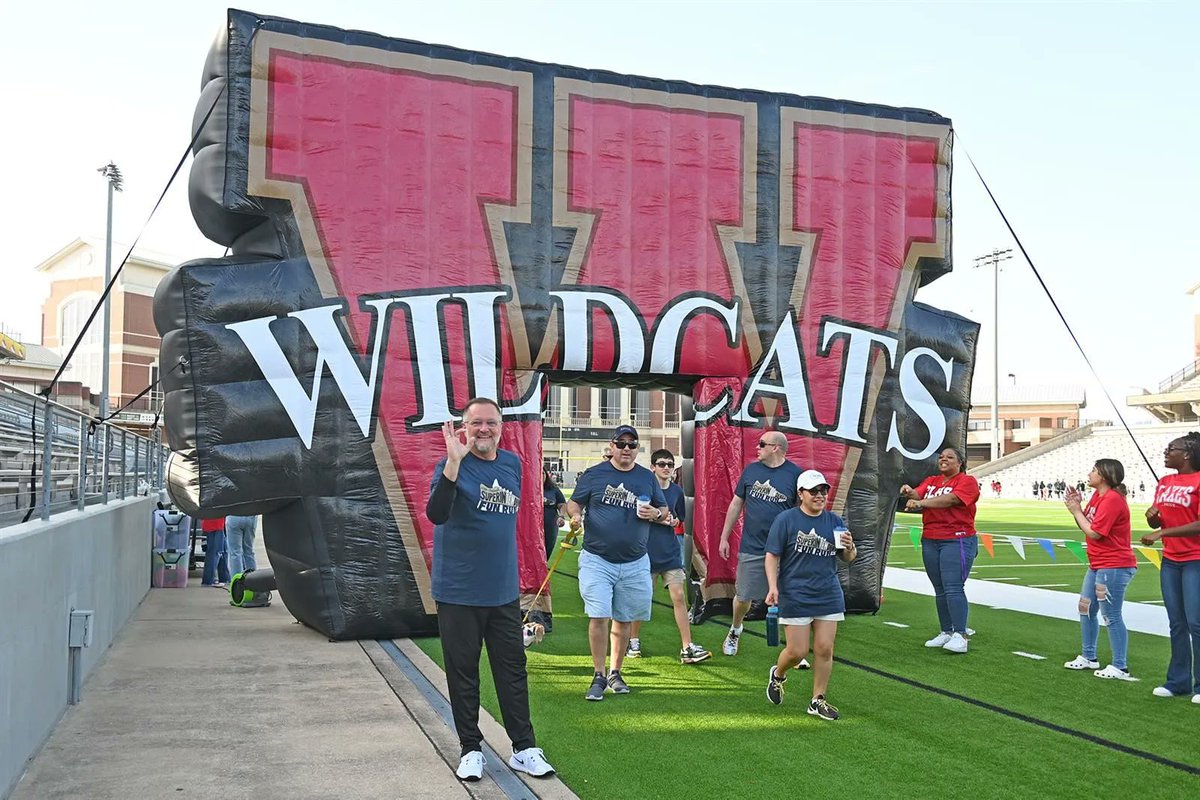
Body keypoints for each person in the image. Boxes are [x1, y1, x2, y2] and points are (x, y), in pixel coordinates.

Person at [425, 397, 555, 781]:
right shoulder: (450, 465)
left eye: (491, 423)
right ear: (464, 427)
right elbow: (436, 513)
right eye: (476, 423)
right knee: (463, 673)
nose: (484, 430)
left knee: (512, 670)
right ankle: (470, 749)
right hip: (458, 591)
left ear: (501, 427)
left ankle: (524, 747)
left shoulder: (513, 464)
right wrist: (452, 463)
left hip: (501, 591)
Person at [567, 425, 667, 700]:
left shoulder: (647, 478)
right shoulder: (594, 474)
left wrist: (655, 513)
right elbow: (574, 504)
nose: (626, 448)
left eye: (631, 444)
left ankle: (615, 672)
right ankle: (598, 675)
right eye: (620, 443)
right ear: (611, 446)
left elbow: (664, 511)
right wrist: (575, 517)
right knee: (599, 616)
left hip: (635, 561)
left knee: (623, 619)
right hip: (597, 559)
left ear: (637, 449)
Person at [764, 470, 857, 720]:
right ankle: (778, 674)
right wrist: (773, 587)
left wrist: (851, 547)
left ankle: (817, 699)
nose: (819, 495)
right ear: (800, 494)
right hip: (795, 594)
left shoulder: (835, 521)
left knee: (825, 648)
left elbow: (847, 558)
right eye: (813, 491)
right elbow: (772, 555)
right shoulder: (786, 520)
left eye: (823, 491)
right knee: (798, 652)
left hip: (828, 593)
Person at [717, 430, 804, 657]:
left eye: (762, 444)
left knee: (790, 597)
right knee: (744, 597)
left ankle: (794, 647)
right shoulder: (751, 471)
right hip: (753, 546)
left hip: (784, 549)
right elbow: (736, 504)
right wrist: (725, 536)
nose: (757, 447)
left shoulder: (795, 475)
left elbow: (802, 511)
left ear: (776, 447)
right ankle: (736, 628)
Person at [626, 449, 711, 664]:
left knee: (679, 597)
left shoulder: (676, 492)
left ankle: (687, 646)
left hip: (670, 551)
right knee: (642, 600)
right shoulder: (644, 489)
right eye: (662, 464)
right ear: (653, 467)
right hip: (646, 551)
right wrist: (659, 517)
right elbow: (636, 515)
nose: (666, 468)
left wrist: (673, 522)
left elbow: (680, 517)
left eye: (670, 464)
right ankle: (633, 641)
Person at [1062, 459, 1137, 680]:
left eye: (1093, 470)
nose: (1089, 473)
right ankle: (1088, 656)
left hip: (1114, 565)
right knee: (1085, 608)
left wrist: (1076, 511)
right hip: (1098, 564)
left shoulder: (1112, 499)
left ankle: (1120, 666)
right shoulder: (1098, 496)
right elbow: (1086, 524)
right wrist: (1075, 508)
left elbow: (1095, 532)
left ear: (1104, 475)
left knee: (1111, 615)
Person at [900, 447, 980, 654]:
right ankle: (946, 631)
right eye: (941, 457)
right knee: (940, 588)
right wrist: (910, 492)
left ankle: (960, 634)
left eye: (949, 457)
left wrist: (921, 502)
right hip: (931, 539)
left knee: (953, 586)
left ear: (959, 462)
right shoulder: (933, 480)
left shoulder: (967, 481)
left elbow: (952, 500)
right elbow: (918, 492)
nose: (943, 459)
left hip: (957, 539)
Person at [1141, 433, 1200, 704]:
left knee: (1196, 623)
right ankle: (1178, 682)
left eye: (1171, 449)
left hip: (1195, 559)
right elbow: (1159, 521)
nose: (1166, 452)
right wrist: (1154, 520)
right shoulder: (1164, 482)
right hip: (1171, 560)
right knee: (1176, 623)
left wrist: (1163, 533)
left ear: (1187, 454)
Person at [542, 470, 567, 562]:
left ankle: (542, 573)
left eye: (543, 473)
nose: (541, 476)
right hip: (531, 527)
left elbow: (562, 504)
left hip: (550, 526)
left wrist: (561, 516)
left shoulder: (553, 489)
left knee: (547, 550)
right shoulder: (528, 488)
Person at [200, 517, 230, 588]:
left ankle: (225, 578)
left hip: (217, 523)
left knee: (223, 552)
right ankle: (208, 580)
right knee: (215, 552)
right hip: (215, 524)